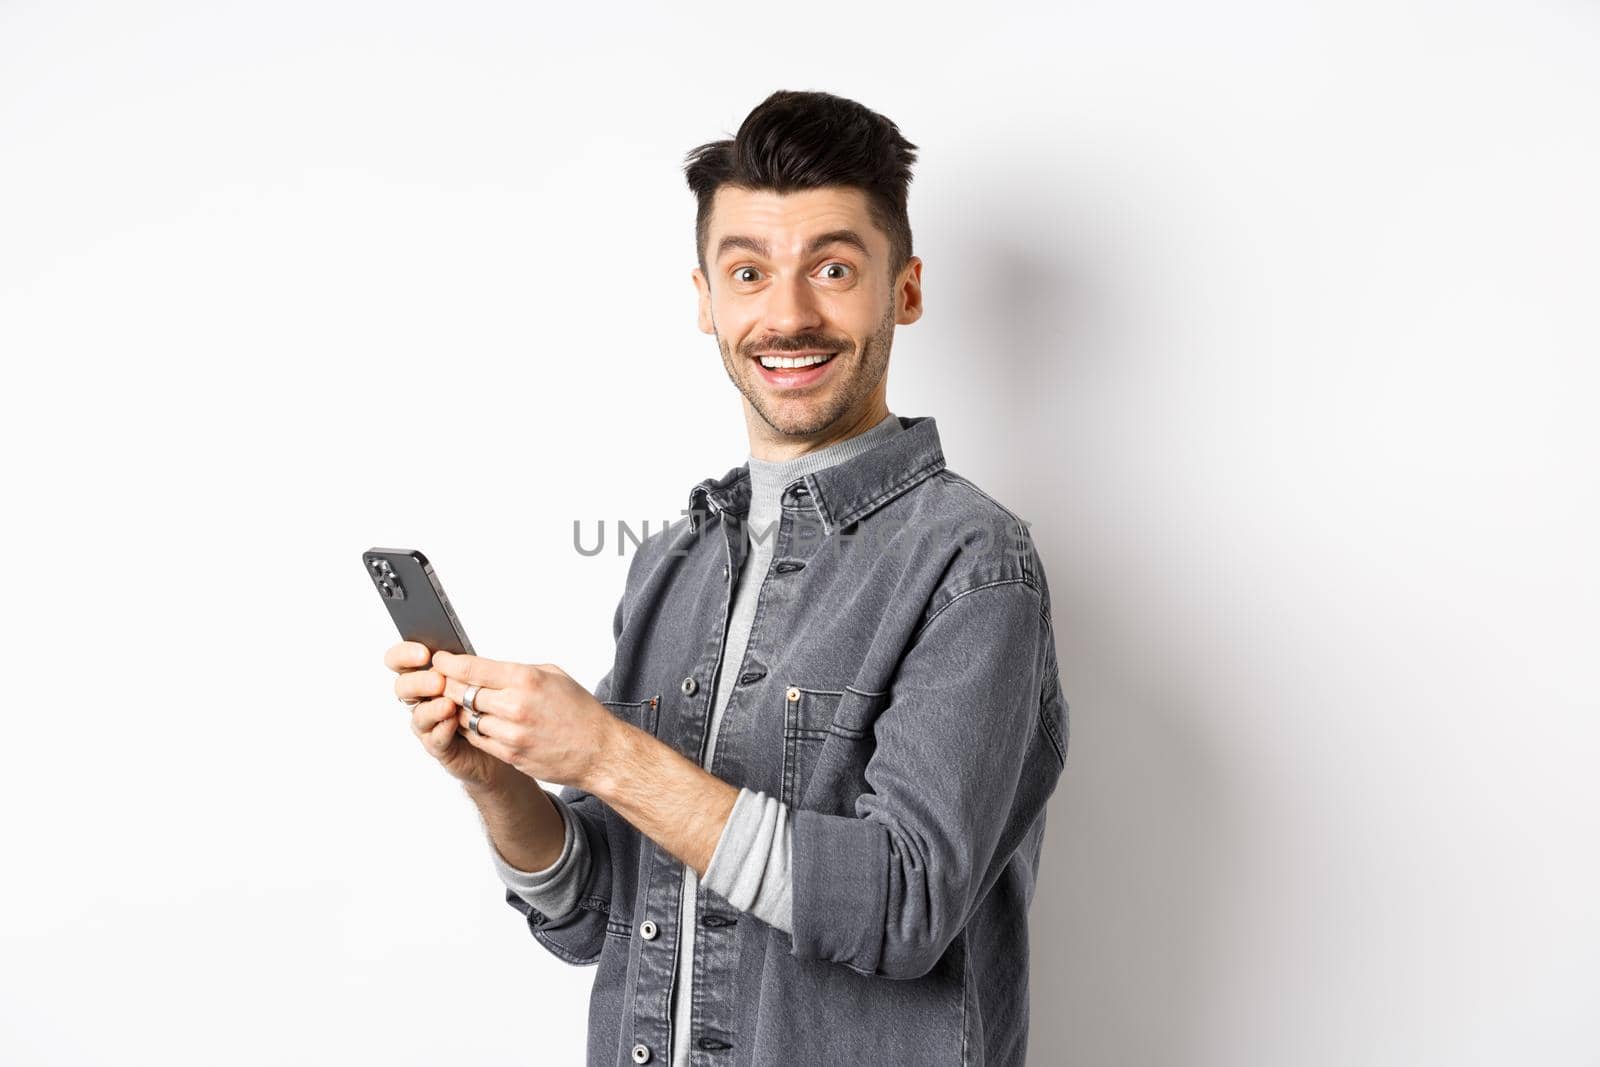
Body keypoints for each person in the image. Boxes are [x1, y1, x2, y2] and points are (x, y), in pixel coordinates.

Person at [383, 89, 1069, 1066]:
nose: (786, 313)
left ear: (903, 290)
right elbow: (593, 915)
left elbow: (904, 906)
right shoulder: (672, 559)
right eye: (749, 271)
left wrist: (606, 752)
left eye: (832, 267)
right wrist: (498, 782)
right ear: (706, 298)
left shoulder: (971, 562)